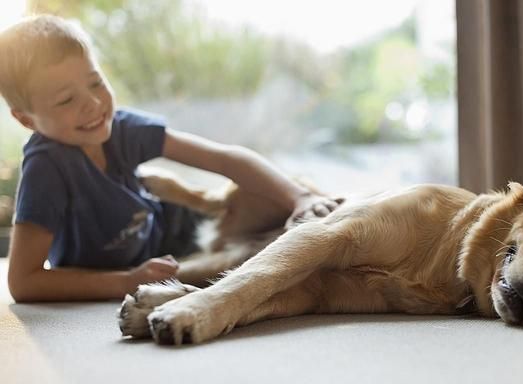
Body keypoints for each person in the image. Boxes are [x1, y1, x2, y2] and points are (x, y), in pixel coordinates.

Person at [0, 15, 340, 302]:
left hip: (174, 226)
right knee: (250, 262)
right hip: (155, 260)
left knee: (277, 199)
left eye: (95, 82)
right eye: (66, 100)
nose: (92, 103)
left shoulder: (123, 128)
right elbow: (24, 282)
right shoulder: (46, 168)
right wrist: (125, 281)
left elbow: (223, 159)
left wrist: (301, 198)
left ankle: (320, 208)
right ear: (27, 120)